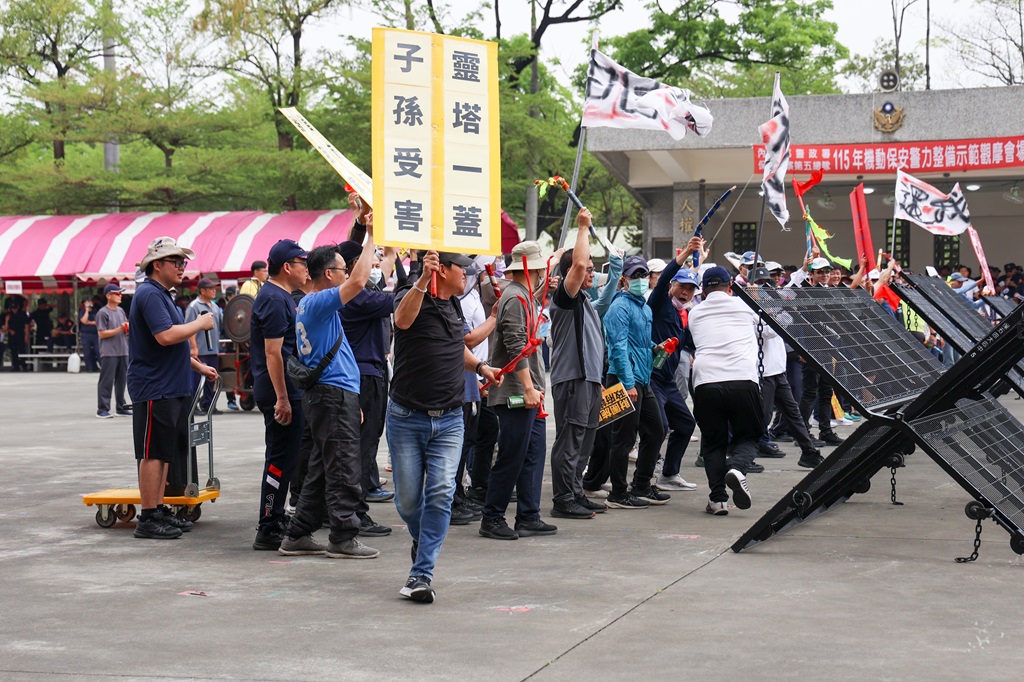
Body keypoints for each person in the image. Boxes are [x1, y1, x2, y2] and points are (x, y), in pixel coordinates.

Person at [388, 249, 502, 603]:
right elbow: (401, 321)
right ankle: (422, 539)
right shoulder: (409, 294)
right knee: (408, 502)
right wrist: (423, 279)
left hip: (451, 419)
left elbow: (456, 347)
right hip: (407, 418)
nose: (466, 275)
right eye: (461, 268)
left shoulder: (455, 304)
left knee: (440, 493)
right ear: (441, 269)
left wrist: (481, 368)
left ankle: (421, 574)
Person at [278, 234, 381, 560]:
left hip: (332, 395)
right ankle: (343, 536)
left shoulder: (313, 305)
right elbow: (360, 281)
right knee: (343, 467)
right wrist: (372, 237)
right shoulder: (319, 302)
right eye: (342, 270)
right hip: (333, 395)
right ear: (328, 274)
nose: (347, 274)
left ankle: (298, 533)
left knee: (323, 469)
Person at [128, 237, 218, 539]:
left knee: (163, 452)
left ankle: (158, 508)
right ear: (157, 265)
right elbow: (165, 336)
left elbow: (173, 342)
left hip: (170, 386)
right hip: (155, 386)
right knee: (153, 453)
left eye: (183, 262)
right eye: (176, 262)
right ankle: (148, 516)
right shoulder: (150, 294)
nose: (182, 267)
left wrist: (198, 366)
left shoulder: (162, 295)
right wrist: (200, 323)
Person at [480, 240, 557, 540]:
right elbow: (515, 346)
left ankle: (528, 516)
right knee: (512, 456)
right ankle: (492, 518)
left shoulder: (524, 296)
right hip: (517, 392)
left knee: (533, 454)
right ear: (533, 268)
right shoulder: (515, 298)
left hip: (531, 391)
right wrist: (527, 388)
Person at [685, 266, 762, 516]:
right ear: (730, 285)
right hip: (742, 379)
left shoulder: (695, 312)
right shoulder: (746, 306)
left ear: (703, 290)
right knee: (749, 437)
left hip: (706, 381)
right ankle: (737, 468)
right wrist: (756, 300)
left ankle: (717, 499)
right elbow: (772, 331)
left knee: (713, 442)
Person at [335, 237, 399, 536]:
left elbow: (384, 275)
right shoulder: (356, 296)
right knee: (362, 447)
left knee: (362, 445)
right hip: (363, 376)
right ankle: (356, 514)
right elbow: (398, 300)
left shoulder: (357, 292)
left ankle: (347, 511)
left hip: (367, 372)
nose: (375, 266)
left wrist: (393, 254)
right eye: (369, 261)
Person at [249, 240, 310, 551]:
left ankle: (274, 516)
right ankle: (268, 525)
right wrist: (282, 398)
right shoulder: (274, 298)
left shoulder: (283, 295)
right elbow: (273, 353)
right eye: (303, 264)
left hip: (288, 388)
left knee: (286, 459)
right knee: (278, 459)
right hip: (279, 391)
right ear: (287, 267)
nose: (306, 270)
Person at [548, 209, 608, 520]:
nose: (591, 273)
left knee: (585, 441)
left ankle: (575, 492)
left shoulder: (586, 301)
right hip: (574, 378)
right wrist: (583, 228)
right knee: (570, 441)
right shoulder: (565, 297)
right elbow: (580, 263)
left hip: (590, 380)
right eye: (588, 270)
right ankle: (562, 499)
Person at [602, 255, 669, 509]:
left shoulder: (644, 307)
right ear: (624, 279)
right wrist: (628, 383)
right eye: (635, 275)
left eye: (644, 275)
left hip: (642, 378)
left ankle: (641, 484)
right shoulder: (619, 307)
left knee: (656, 430)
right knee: (624, 438)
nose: (640, 279)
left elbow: (637, 341)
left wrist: (654, 347)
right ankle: (618, 493)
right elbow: (618, 348)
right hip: (623, 379)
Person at [647, 237, 703, 491]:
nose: (685, 292)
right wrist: (685, 254)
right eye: (682, 286)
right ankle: (643, 480)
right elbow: (664, 280)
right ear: (671, 285)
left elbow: (689, 342)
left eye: (691, 289)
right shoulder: (659, 304)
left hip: (667, 381)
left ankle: (669, 475)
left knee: (685, 424)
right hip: (650, 377)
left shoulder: (684, 314)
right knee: (658, 427)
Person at [185, 278, 224, 413]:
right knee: (196, 380)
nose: (214, 291)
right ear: (202, 291)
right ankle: (193, 406)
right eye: (210, 288)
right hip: (200, 350)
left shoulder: (215, 307)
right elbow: (189, 328)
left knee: (211, 379)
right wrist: (193, 347)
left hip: (213, 349)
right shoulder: (194, 306)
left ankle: (208, 404)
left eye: (214, 288)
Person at [96, 283, 131, 418]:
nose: (120, 295)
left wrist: (126, 328)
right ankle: (102, 409)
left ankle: (121, 407)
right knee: (107, 380)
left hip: (123, 350)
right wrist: (120, 329)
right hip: (109, 352)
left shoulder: (121, 311)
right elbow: (102, 333)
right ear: (108, 296)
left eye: (120, 293)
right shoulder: (103, 312)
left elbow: (124, 327)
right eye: (117, 293)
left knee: (122, 380)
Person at [5, 298, 30, 372]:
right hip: (12, 335)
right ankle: (15, 366)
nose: (14, 310)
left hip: (20, 334)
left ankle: (24, 365)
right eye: (12, 308)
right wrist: (7, 321)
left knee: (22, 350)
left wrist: (26, 335)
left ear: (18, 307)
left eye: (15, 308)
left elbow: (26, 325)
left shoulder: (22, 314)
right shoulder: (9, 315)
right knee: (13, 351)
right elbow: (5, 327)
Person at [79, 297, 100, 372]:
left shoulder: (96, 312)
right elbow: (84, 321)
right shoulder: (82, 312)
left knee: (98, 350)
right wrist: (87, 311)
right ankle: (89, 368)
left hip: (95, 334)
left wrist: (89, 322)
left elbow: (98, 322)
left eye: (90, 302)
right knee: (87, 352)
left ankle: (101, 366)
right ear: (85, 303)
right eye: (87, 302)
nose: (90, 303)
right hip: (85, 334)